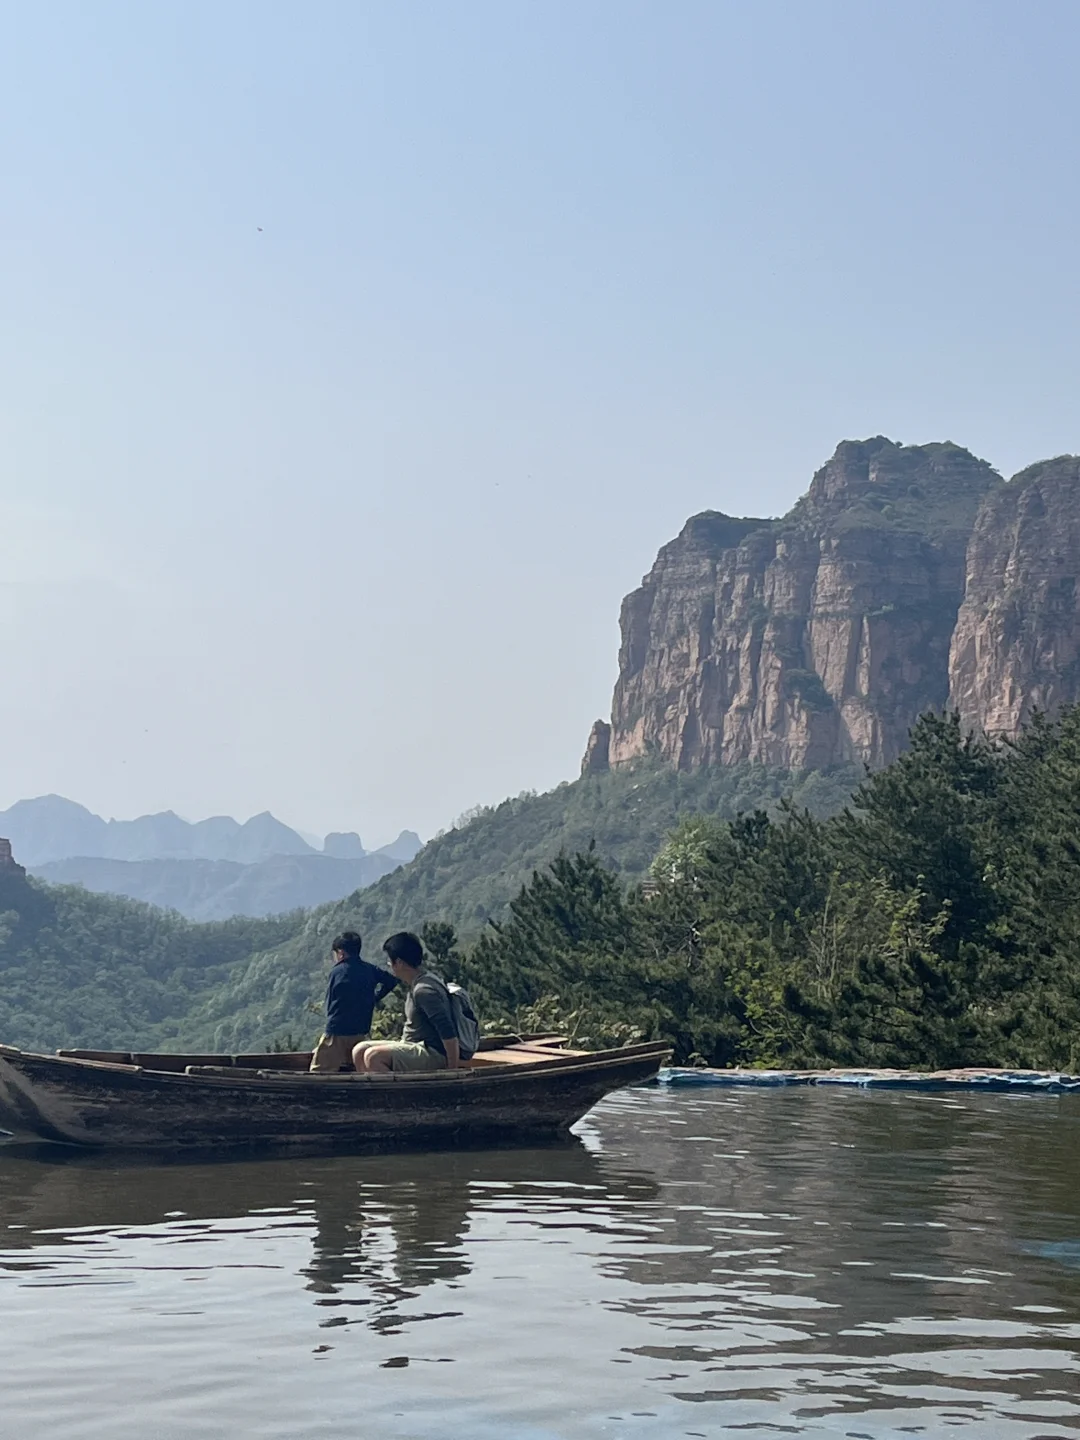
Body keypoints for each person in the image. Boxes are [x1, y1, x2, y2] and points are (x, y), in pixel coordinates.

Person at [351, 931, 462, 1074]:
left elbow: (448, 1033)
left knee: (374, 1057)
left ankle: (395, 1095)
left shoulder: (424, 991)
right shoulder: (421, 981)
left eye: (390, 961)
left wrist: (452, 1071)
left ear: (400, 963)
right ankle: (372, 1092)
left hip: (433, 1052)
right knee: (359, 1050)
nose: (389, 965)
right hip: (414, 1046)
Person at [309, 931, 398, 1073]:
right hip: (361, 1029)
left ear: (341, 953)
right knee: (357, 1068)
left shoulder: (337, 972)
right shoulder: (369, 969)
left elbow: (331, 1001)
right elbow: (391, 981)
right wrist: (375, 998)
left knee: (320, 1070)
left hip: (337, 1030)